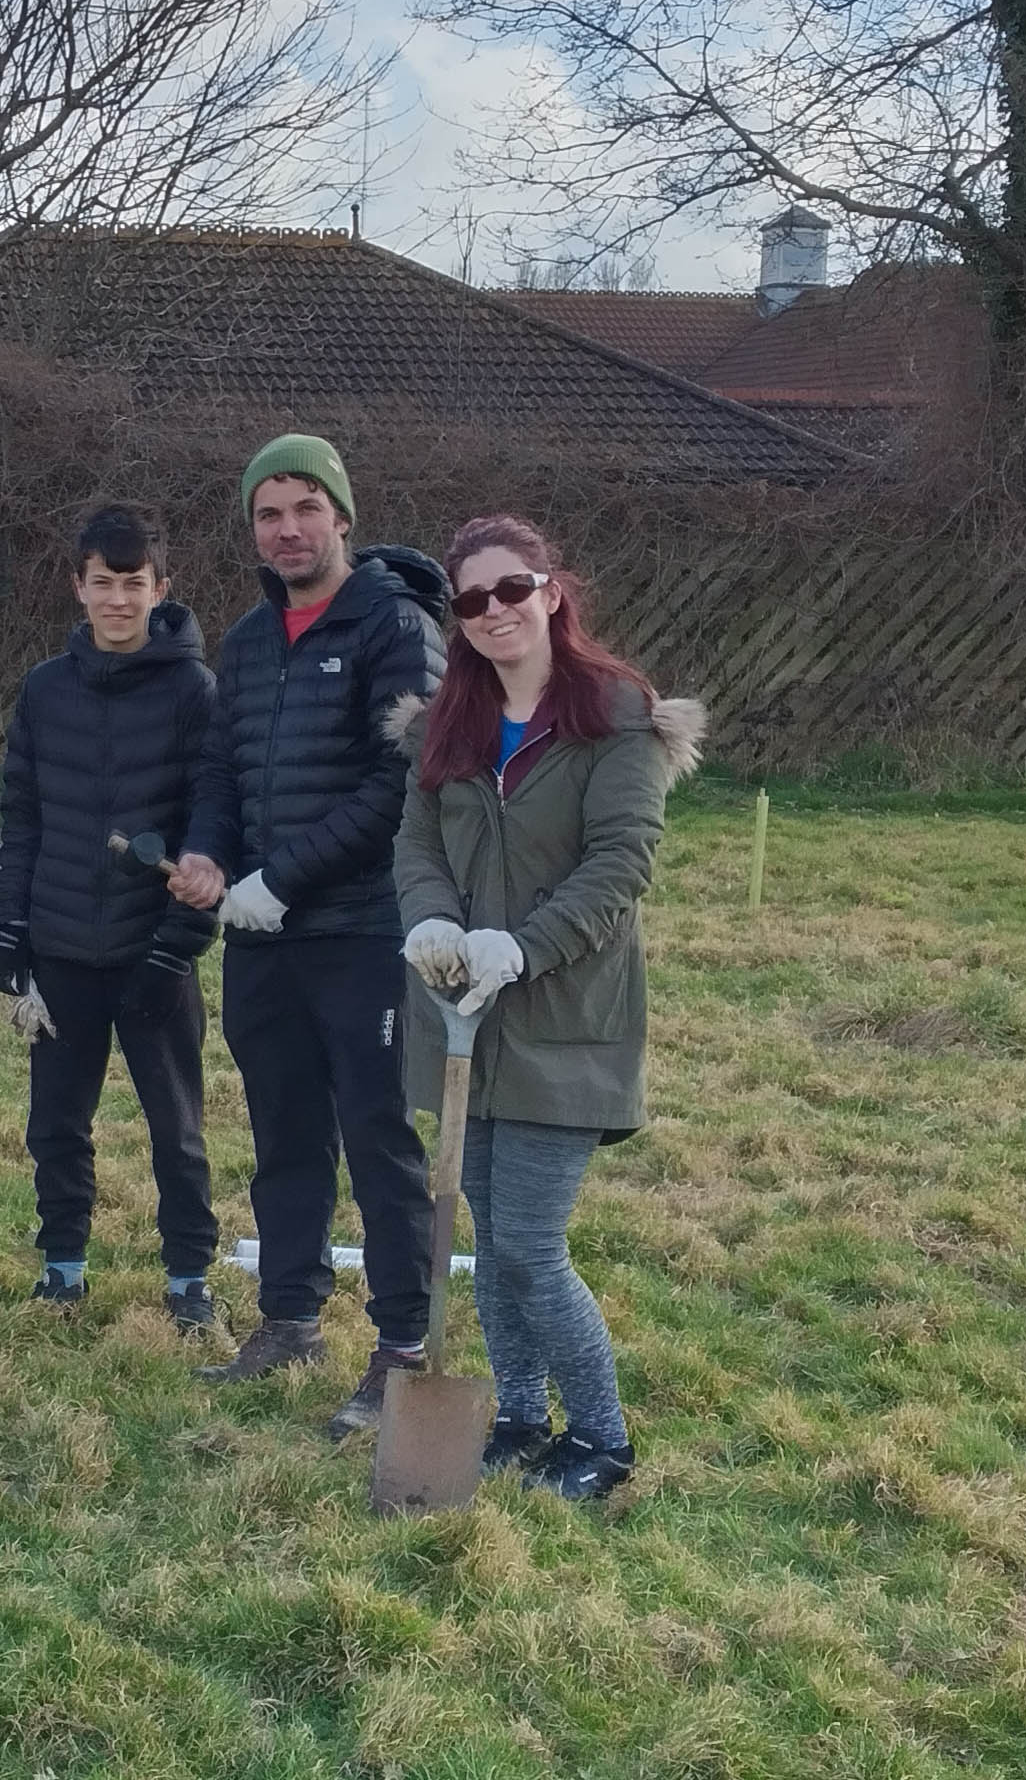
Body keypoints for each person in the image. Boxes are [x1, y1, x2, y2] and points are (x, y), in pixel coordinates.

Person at [392, 514, 702, 1502]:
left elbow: (620, 864)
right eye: (470, 600)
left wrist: (521, 946)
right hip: (459, 1019)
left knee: (528, 1246)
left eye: (510, 590)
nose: (492, 613)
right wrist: (432, 922)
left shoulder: (615, 716)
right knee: (490, 1238)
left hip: (563, 1021)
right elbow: (416, 844)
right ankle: (521, 1416)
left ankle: (601, 1441)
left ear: (550, 592)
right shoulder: (446, 718)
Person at [169, 433, 446, 1439]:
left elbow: (398, 784)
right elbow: (220, 777)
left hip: (363, 930)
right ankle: (287, 1318)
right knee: (283, 1132)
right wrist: (207, 857)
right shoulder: (244, 644)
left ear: (341, 515)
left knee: (378, 1139)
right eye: (267, 513)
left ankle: (403, 1344)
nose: (286, 530)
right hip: (261, 939)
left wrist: (280, 878)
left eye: (303, 508)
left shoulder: (394, 626)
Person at [0, 503, 222, 1327]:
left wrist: (178, 948)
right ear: (77, 587)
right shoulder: (45, 691)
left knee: (177, 1130)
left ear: (162, 589)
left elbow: (211, 830)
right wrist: (9, 927)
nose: (117, 600)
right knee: (56, 1124)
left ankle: (190, 1278)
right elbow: (22, 816)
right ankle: (62, 1266)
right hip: (60, 949)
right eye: (102, 583)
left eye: (133, 584)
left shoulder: (196, 691)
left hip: (152, 952)